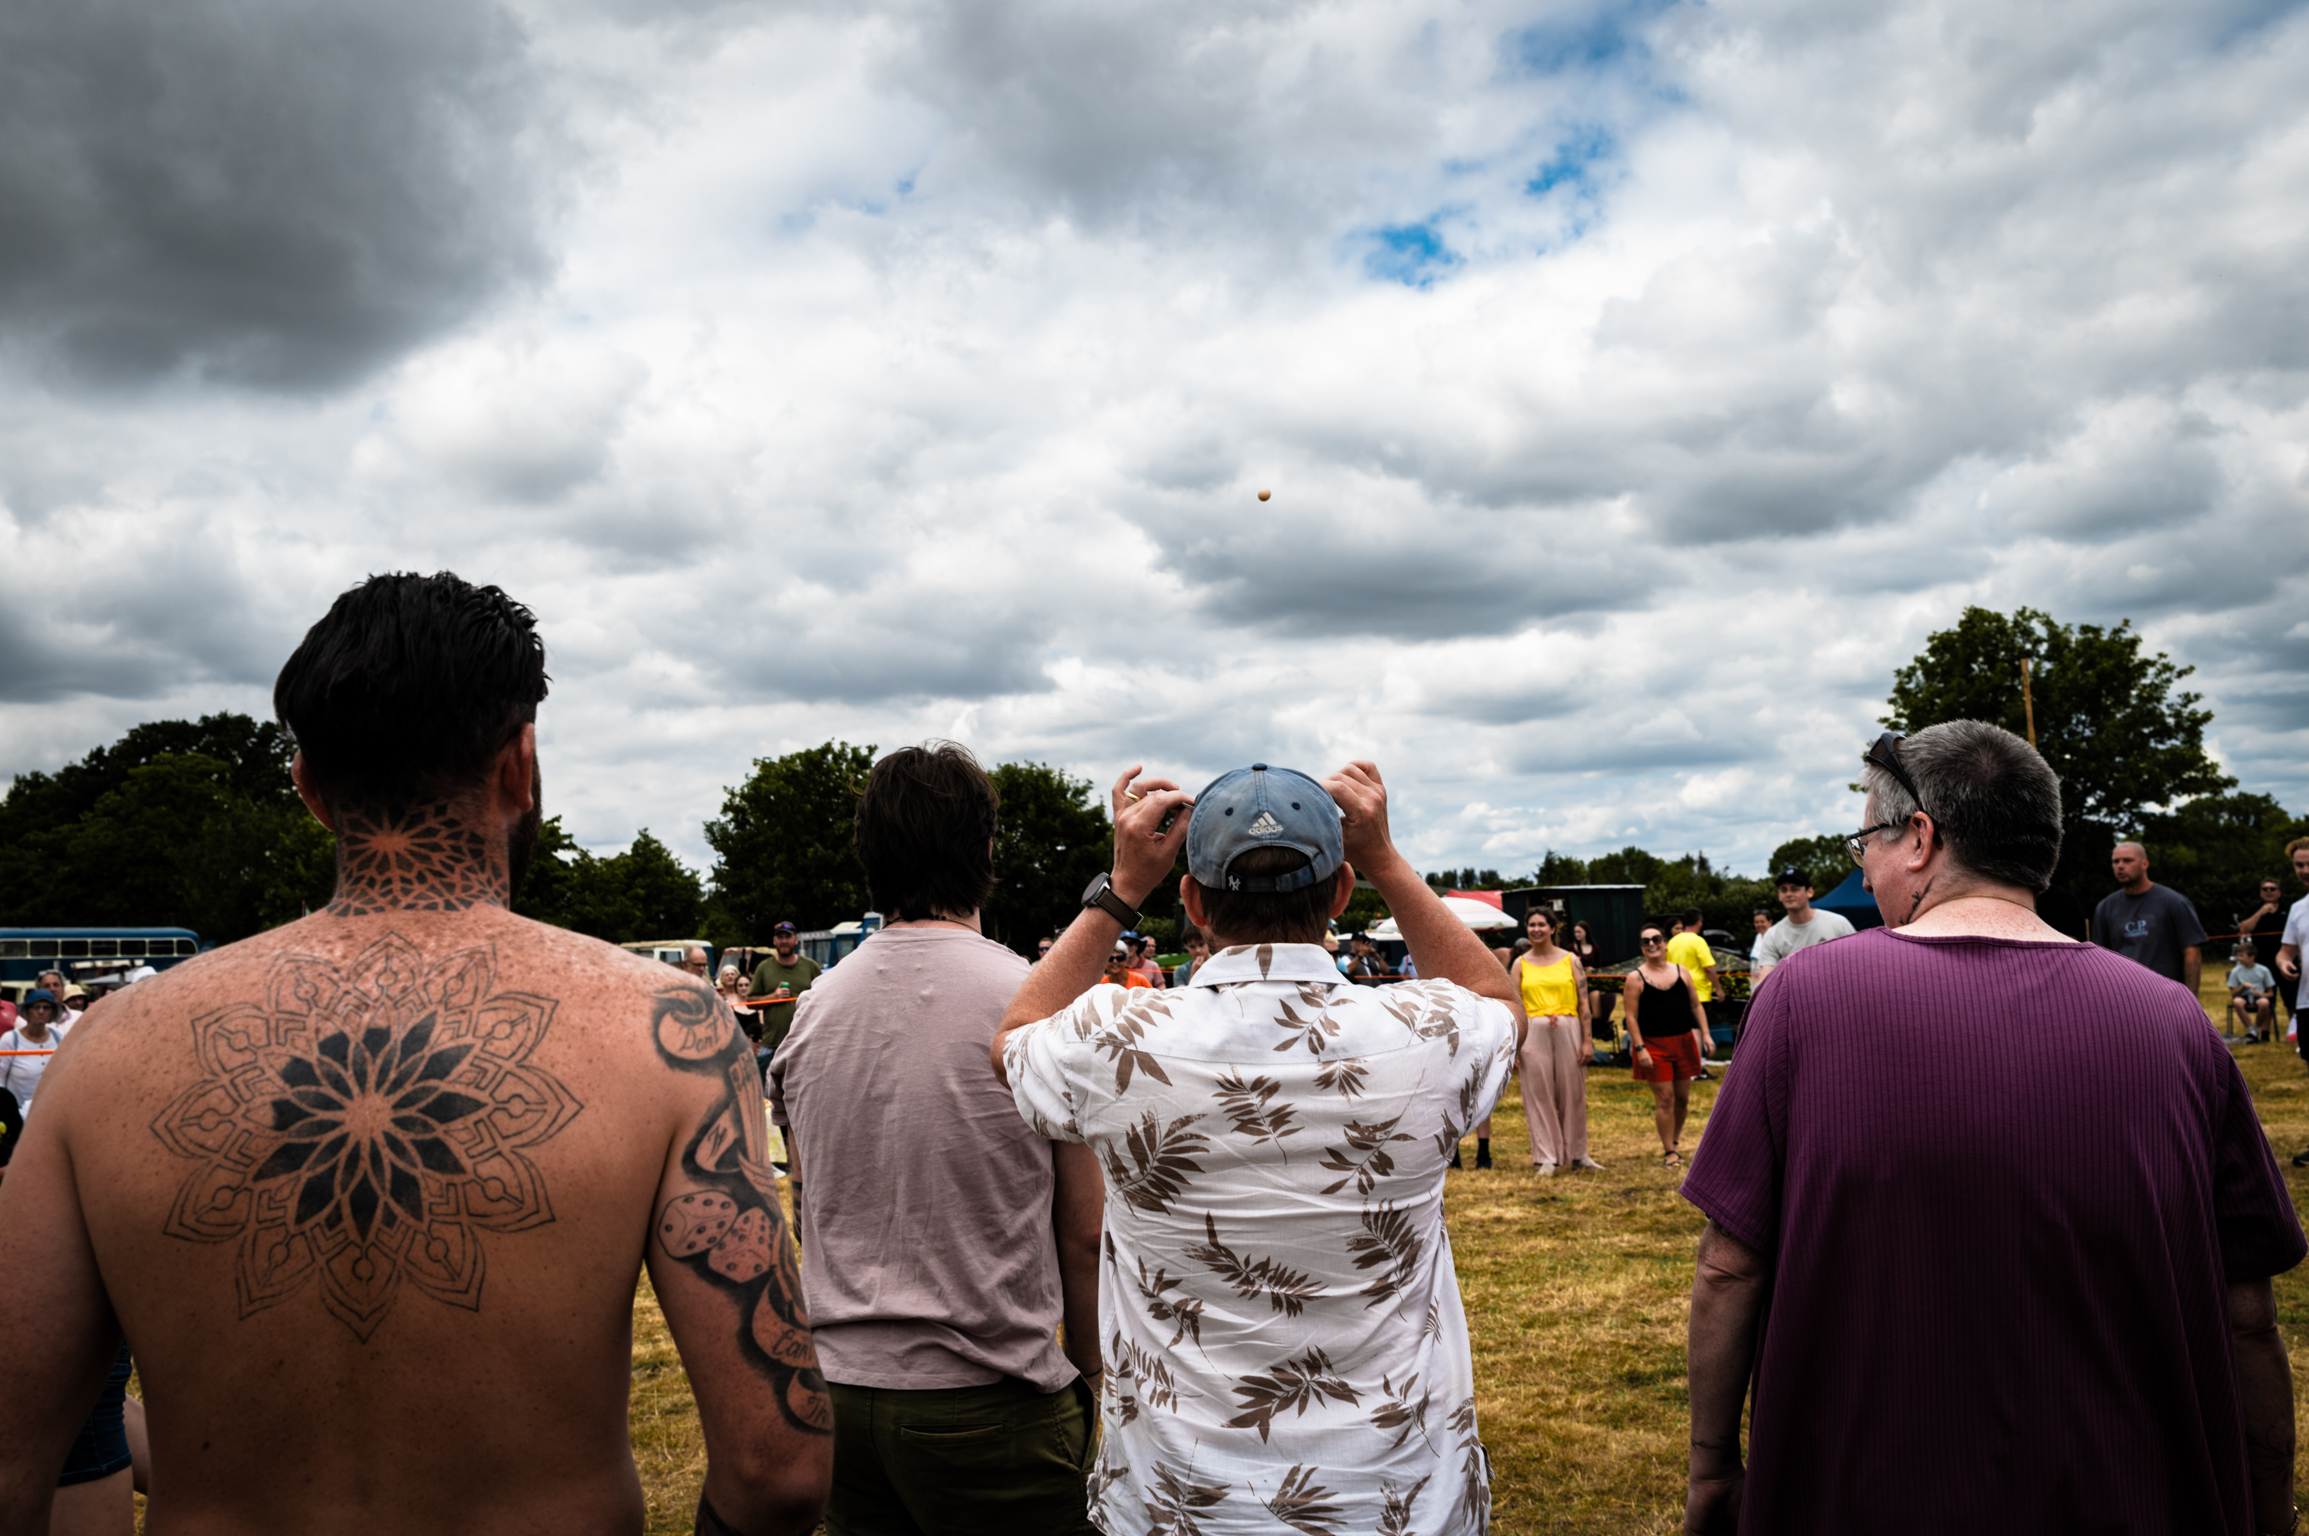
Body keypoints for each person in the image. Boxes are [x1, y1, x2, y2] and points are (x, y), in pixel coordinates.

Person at [0, 572, 831, 1534]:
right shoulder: (665, 1034)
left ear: (310, 788)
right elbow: (779, 1471)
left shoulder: (108, 1049)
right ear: (519, 766)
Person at [1682, 722, 2302, 1536]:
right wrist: (2266, 1500)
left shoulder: (1803, 998)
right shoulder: (2173, 1023)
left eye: (1865, 839)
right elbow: (2245, 1312)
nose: (1862, 872)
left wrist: (1711, 1465)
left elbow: (1730, 1271)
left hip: (1860, 1492)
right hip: (2132, 1491)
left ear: (1918, 838)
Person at [993, 760, 1522, 1535]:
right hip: (1393, 1494)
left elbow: (1012, 1037)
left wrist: (1121, 885)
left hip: (1180, 1497)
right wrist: (1385, 859)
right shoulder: (1424, 1034)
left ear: (1193, 902)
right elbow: (1499, 1001)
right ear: (1341, 893)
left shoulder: (1118, 1040)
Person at [771, 742, 1103, 1536]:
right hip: (991, 1395)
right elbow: (1084, 1231)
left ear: (868, 859)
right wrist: (1091, 1372)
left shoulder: (814, 1010)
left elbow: (808, 1201)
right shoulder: (1030, 1007)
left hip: (839, 1396)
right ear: (987, 851)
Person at [1514, 908, 1602, 1176]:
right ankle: (1546, 1156)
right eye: (1532, 924)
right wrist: (1514, 1046)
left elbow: (1584, 1001)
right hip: (1533, 1031)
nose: (1536, 929)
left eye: (1542, 924)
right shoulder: (1520, 964)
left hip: (1568, 1027)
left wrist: (1588, 1040)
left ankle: (1578, 1154)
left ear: (1552, 929)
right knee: (1537, 1093)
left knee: (1573, 1091)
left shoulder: (1571, 960)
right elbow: (1514, 1006)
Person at [1623, 925, 1707, 1168]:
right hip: (1652, 1045)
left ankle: (1675, 1142)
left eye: (1656, 939)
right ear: (1641, 947)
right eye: (1645, 941)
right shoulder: (1635, 978)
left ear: (1665, 942)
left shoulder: (1683, 972)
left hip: (1683, 1041)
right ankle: (1669, 1151)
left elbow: (1696, 1006)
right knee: (1665, 1098)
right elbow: (1631, 1017)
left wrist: (1707, 1035)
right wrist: (1640, 1049)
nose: (1651, 944)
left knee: (1682, 1099)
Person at [2092, 840, 2206, 994]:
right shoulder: (2105, 907)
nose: (2120, 865)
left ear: (2144, 863)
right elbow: (2100, 959)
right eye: (2115, 861)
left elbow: (2192, 952)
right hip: (2124, 996)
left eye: (2127, 860)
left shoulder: (2174, 902)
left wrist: (2191, 999)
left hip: (2166, 996)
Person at [1747, 869, 1855, 985]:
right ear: (1779, 895)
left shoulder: (1838, 923)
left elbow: (1856, 963)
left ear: (1810, 892)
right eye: (1784, 890)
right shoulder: (1773, 935)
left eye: (1795, 889)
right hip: (1797, 1001)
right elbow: (1766, 980)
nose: (1788, 894)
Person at [750, 921, 822, 1058]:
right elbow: (749, 1001)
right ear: (774, 941)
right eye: (780, 937)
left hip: (805, 1042)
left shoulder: (810, 967)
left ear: (795, 940)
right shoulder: (764, 968)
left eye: (788, 937)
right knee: (766, 1079)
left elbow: (825, 999)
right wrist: (773, 997)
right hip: (772, 1044)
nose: (784, 941)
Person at [1665, 909, 1721, 1072]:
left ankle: (1685, 1063)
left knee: (1685, 1029)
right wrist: (1718, 989)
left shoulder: (1673, 942)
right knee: (1697, 1029)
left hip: (1677, 990)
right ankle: (1697, 1066)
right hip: (1699, 992)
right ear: (1699, 922)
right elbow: (1709, 968)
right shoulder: (1698, 941)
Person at [0, 989, 71, 1116]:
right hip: (18, 1115)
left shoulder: (58, 1037)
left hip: (50, 1113)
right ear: (27, 1010)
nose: (41, 1011)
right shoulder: (11, 1039)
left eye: (46, 1007)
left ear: (52, 1012)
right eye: (36, 1007)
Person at [2241, 875, 2297, 1032]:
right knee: (2266, 998)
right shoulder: (2253, 909)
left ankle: (2294, 1030)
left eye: (2272, 889)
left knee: (2291, 998)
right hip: (2262, 962)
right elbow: (2244, 929)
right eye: (2265, 889)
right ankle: (2265, 1033)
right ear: (2260, 893)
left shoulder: (2289, 908)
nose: (2269, 892)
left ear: (2279, 892)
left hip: (2286, 960)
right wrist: (2261, 912)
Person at [2229, 941, 2277, 1043]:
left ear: (2252, 957)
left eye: (2242, 956)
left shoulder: (2263, 970)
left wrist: (2259, 994)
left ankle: (2256, 1029)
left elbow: (2271, 993)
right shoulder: (2236, 971)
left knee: (2264, 1003)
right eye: (2238, 956)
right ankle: (2251, 1030)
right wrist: (2242, 987)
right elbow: (2233, 994)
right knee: (2237, 1002)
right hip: (2243, 996)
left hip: (2258, 995)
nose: (2239, 958)